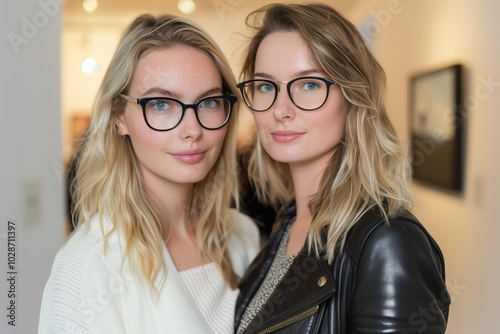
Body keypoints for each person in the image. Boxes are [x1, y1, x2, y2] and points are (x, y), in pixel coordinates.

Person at [233, 3, 450, 333]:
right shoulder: (288, 223)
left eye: (309, 85)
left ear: (352, 96)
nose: (280, 109)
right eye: (265, 86)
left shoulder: (388, 243)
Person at [39, 14, 259, 334]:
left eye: (209, 101)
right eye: (161, 104)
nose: (192, 130)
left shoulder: (241, 237)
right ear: (119, 117)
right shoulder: (87, 266)